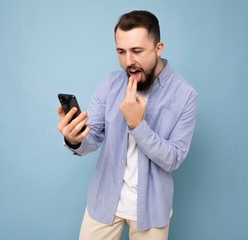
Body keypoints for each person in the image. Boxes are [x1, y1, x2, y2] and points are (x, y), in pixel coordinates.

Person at [57, 10, 198, 240]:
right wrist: (74, 138)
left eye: (137, 51)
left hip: (151, 210)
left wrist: (137, 124)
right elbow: (92, 139)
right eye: (121, 52)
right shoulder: (110, 84)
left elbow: (173, 159)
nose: (128, 61)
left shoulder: (186, 95)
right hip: (104, 200)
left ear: (158, 48)